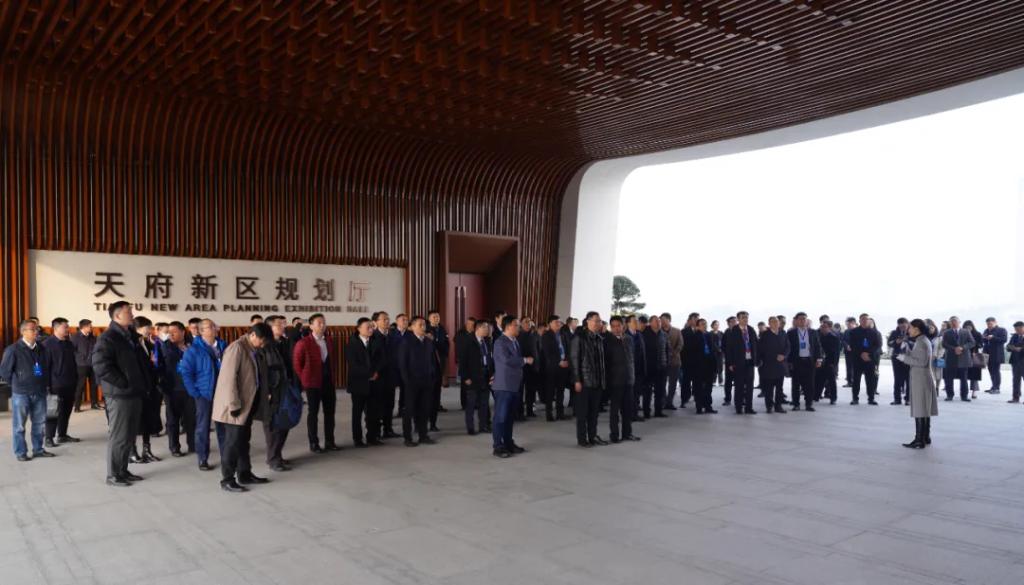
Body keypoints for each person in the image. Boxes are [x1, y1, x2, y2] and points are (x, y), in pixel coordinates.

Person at [93, 301, 149, 485]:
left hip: (134, 392)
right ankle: (113, 475)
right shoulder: (108, 338)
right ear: (117, 316)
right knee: (119, 436)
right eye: (128, 312)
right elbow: (101, 366)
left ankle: (123, 471)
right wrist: (123, 383)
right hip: (120, 395)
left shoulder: (130, 336)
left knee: (129, 436)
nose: (132, 314)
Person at [213, 323, 272, 493]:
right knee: (232, 444)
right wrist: (233, 404)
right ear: (252, 335)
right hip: (235, 406)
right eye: (261, 340)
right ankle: (227, 479)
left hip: (247, 405)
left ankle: (245, 474)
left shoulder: (253, 349)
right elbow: (228, 379)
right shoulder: (237, 348)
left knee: (243, 442)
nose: (262, 344)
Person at [1, 319, 55, 462]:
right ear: (23, 332)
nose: (36, 332)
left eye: (37, 329)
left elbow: (47, 368)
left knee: (39, 424)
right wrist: (18, 383)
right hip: (21, 394)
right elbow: (5, 372)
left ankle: (38, 450)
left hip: (40, 392)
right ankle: (20, 452)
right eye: (33, 329)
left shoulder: (42, 349)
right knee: (19, 426)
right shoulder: (13, 350)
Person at [178, 318, 227, 470]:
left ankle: (226, 456)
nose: (213, 328)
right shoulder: (193, 350)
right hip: (204, 393)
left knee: (224, 426)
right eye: (209, 327)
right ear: (201, 331)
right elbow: (186, 372)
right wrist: (195, 392)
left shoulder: (224, 346)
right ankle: (202, 458)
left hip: (223, 392)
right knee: (203, 427)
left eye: (213, 325)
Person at [294, 313, 341, 452]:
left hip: (328, 382)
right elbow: (297, 364)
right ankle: (314, 443)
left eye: (324, 322)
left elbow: (333, 360)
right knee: (313, 413)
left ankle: (330, 441)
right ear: (311, 326)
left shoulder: (329, 340)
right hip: (312, 384)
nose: (322, 325)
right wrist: (305, 379)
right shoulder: (303, 343)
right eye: (319, 323)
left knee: (330, 413)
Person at [895, 319, 938, 449]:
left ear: (916, 329)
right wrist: (907, 350)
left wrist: (904, 358)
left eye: (910, 328)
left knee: (920, 408)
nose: (908, 330)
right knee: (924, 408)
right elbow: (918, 357)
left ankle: (919, 440)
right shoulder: (922, 340)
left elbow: (921, 362)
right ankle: (925, 437)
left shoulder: (921, 342)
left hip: (921, 378)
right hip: (922, 378)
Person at [263, 315, 298, 469]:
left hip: (285, 388)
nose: (283, 326)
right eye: (279, 324)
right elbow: (264, 371)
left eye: (283, 323)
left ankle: (277, 455)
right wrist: (267, 391)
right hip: (273, 391)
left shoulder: (284, 342)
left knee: (284, 422)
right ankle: (273, 459)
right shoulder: (265, 345)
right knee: (273, 426)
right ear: (270, 328)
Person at [492, 315, 528, 458]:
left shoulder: (515, 341)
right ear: (508, 327)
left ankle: (508, 443)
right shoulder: (500, 342)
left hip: (514, 385)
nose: (518, 327)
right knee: (500, 417)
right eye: (516, 325)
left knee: (509, 417)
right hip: (504, 385)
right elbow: (506, 360)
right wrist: (525, 360)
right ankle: (498, 446)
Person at [398, 316, 437, 447]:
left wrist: (433, 377)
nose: (423, 327)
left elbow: (432, 361)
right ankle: (408, 438)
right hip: (411, 382)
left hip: (427, 381)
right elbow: (402, 364)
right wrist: (406, 381)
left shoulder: (428, 342)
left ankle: (423, 435)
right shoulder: (406, 342)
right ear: (412, 327)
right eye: (420, 325)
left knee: (424, 409)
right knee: (409, 411)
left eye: (424, 325)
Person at [571, 312, 607, 447]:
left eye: (600, 321)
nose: (598, 323)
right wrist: (577, 380)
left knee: (594, 413)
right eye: (596, 321)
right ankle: (582, 439)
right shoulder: (579, 338)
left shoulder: (599, 338)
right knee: (583, 413)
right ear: (588, 321)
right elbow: (574, 360)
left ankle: (592, 436)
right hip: (584, 381)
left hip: (597, 381)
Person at [131, 316, 164, 464]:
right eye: (147, 327)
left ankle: (146, 450)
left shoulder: (147, 343)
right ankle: (132, 452)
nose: (150, 330)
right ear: (138, 328)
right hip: (137, 389)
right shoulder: (132, 344)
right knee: (134, 422)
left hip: (149, 387)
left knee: (148, 421)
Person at [43, 317, 80, 447]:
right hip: (54, 385)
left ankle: (62, 435)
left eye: (67, 326)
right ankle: (49, 438)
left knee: (66, 411)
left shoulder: (69, 343)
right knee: (52, 412)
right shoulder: (47, 344)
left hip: (69, 383)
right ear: (56, 328)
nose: (67, 329)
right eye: (65, 327)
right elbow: (41, 367)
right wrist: (45, 385)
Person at [161, 321, 195, 457]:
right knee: (173, 420)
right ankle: (174, 447)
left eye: (174, 332)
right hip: (172, 388)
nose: (171, 334)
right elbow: (168, 360)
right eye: (169, 332)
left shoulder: (192, 345)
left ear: (183, 332)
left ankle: (193, 444)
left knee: (191, 419)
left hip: (190, 388)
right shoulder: (165, 346)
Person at [604, 316, 640, 442]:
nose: (616, 328)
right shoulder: (607, 341)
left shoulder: (629, 339)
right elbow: (606, 363)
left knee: (627, 409)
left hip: (629, 380)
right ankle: (614, 435)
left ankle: (627, 433)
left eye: (618, 325)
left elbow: (631, 358)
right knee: (614, 410)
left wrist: (632, 376)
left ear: (623, 325)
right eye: (613, 326)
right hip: (615, 381)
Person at [346, 317, 378, 448]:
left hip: (374, 382)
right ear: (359, 329)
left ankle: (372, 437)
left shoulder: (375, 341)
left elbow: (381, 359)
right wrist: (369, 374)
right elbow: (354, 365)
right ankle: (357, 439)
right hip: (358, 383)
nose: (371, 329)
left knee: (372, 412)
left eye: (372, 327)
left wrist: (376, 372)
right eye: (368, 327)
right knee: (357, 413)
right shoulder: (352, 344)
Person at [458, 320, 494, 435]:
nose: (488, 330)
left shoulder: (487, 341)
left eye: (488, 328)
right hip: (472, 377)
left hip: (485, 376)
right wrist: (465, 377)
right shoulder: (468, 341)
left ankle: (483, 426)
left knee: (484, 403)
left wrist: (492, 374)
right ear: (478, 328)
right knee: (471, 404)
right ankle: (470, 427)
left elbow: (490, 359)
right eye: (485, 328)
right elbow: (462, 360)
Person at [724, 311, 758, 414]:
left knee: (750, 386)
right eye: (743, 317)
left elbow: (756, 345)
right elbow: (729, 348)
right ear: (738, 319)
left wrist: (757, 359)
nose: (745, 319)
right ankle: (738, 407)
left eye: (746, 317)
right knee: (739, 386)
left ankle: (749, 408)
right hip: (738, 363)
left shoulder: (751, 330)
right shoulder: (733, 331)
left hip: (750, 362)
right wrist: (730, 363)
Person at [371, 311, 399, 439]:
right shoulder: (373, 336)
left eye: (388, 319)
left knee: (390, 403)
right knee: (377, 404)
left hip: (391, 375)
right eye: (384, 319)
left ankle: (388, 429)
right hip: (378, 376)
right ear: (376, 322)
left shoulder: (393, 335)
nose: (387, 321)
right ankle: (376, 432)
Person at [787, 312, 822, 411]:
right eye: (800, 319)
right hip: (796, 361)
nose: (803, 321)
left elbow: (817, 346)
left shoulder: (813, 332)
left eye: (804, 319)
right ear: (797, 321)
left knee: (810, 384)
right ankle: (796, 404)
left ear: (807, 321)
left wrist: (819, 359)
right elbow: (788, 348)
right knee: (795, 384)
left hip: (809, 361)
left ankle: (809, 404)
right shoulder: (791, 333)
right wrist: (789, 362)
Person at [540, 315, 570, 422]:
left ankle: (560, 413)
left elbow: (567, 349)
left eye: (559, 322)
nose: (558, 324)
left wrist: (567, 360)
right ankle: (549, 414)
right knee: (550, 392)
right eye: (556, 322)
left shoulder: (563, 334)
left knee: (561, 391)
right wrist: (559, 362)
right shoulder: (546, 335)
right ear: (550, 323)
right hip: (552, 368)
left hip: (563, 367)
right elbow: (547, 353)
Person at [847, 313, 881, 405]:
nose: (865, 321)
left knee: (870, 380)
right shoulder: (854, 332)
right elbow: (852, 344)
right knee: (856, 380)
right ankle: (855, 398)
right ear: (860, 321)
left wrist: (868, 354)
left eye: (867, 319)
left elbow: (877, 345)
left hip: (870, 359)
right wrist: (861, 353)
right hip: (857, 359)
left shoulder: (874, 332)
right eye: (863, 319)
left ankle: (871, 398)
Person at [757, 316, 789, 414]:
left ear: (779, 323)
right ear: (769, 324)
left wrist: (784, 355)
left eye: (776, 321)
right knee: (769, 389)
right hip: (769, 365)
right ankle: (769, 406)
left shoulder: (783, 333)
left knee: (779, 388)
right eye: (772, 322)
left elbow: (788, 346)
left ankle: (778, 406)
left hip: (780, 365)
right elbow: (761, 350)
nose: (775, 323)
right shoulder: (765, 335)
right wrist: (775, 356)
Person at [426, 309, 450, 430]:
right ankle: (422, 423)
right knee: (426, 397)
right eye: (434, 317)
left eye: (438, 317)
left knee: (436, 394)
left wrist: (443, 352)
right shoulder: (426, 329)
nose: (436, 319)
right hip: (427, 366)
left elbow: (446, 344)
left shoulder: (442, 329)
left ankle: (433, 423)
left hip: (440, 362)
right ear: (429, 318)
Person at [71, 319, 102, 411]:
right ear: (84, 327)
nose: (91, 327)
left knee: (94, 385)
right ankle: (77, 406)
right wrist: (80, 358)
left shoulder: (93, 337)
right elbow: (72, 351)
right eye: (90, 326)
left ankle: (94, 404)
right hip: (81, 365)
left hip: (92, 364)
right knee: (80, 386)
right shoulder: (75, 337)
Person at [941, 316, 974, 402]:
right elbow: (944, 344)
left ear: (959, 322)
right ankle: (949, 395)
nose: (953, 323)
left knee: (964, 378)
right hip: (951, 358)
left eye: (955, 321)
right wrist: (954, 349)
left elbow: (972, 342)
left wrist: (962, 348)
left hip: (964, 358)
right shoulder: (947, 332)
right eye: (952, 322)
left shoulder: (966, 331)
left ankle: (964, 396)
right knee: (949, 378)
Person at [641, 315, 667, 419]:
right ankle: (646, 412)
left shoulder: (663, 334)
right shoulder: (644, 334)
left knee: (660, 391)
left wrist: (666, 363)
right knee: (647, 391)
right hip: (649, 367)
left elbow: (666, 349)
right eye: (656, 321)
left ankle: (658, 411)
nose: (658, 323)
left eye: (659, 321)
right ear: (650, 323)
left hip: (661, 367)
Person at [386, 313, 409, 432]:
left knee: (405, 390)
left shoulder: (410, 334)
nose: (405, 322)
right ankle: (388, 416)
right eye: (402, 320)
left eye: (406, 320)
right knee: (390, 393)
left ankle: (402, 410)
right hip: (393, 367)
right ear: (397, 321)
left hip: (406, 367)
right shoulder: (391, 334)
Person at [517, 317, 542, 419]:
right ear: (521, 324)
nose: (528, 324)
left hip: (533, 367)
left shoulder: (535, 335)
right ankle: (519, 413)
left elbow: (539, 350)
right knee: (519, 391)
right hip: (521, 366)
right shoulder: (517, 335)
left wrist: (538, 364)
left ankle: (530, 410)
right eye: (526, 322)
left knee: (531, 390)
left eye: (529, 322)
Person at [692, 318, 718, 414]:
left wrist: (715, 366)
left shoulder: (708, 335)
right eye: (702, 324)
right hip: (698, 366)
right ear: (697, 326)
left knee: (708, 387)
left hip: (709, 365)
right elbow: (692, 352)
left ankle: (708, 406)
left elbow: (712, 350)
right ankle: (699, 407)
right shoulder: (695, 336)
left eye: (705, 324)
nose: (705, 325)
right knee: (698, 387)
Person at [625, 315, 647, 422]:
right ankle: (628, 414)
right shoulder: (625, 335)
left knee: (637, 393)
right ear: (628, 323)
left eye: (637, 321)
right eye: (634, 321)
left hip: (639, 369)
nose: (637, 323)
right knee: (629, 394)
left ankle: (635, 414)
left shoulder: (639, 335)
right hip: (629, 370)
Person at [680, 312, 703, 410]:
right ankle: (684, 399)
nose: (697, 320)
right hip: (687, 361)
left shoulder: (701, 331)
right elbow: (682, 347)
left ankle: (698, 400)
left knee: (698, 382)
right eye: (695, 319)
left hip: (698, 362)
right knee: (686, 382)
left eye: (698, 319)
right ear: (690, 320)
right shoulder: (684, 332)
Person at [816, 320, 842, 405]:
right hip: (820, 362)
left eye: (825, 327)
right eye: (821, 327)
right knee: (819, 380)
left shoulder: (834, 338)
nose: (822, 328)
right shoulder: (818, 336)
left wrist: (834, 364)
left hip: (830, 362)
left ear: (830, 328)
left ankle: (833, 398)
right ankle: (816, 396)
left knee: (831, 381)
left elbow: (836, 353)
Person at [661, 313, 683, 410]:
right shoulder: (659, 331)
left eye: (664, 320)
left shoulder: (677, 331)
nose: (662, 322)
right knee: (661, 382)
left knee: (673, 383)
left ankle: (669, 402)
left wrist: (674, 352)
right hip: (662, 361)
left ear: (669, 320)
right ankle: (663, 400)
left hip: (675, 361)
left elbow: (681, 343)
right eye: (661, 320)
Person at [453, 316, 476, 409]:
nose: (471, 326)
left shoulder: (475, 334)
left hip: (474, 362)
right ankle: (464, 404)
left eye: (473, 324)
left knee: (473, 384)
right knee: (464, 383)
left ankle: (474, 402)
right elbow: (458, 348)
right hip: (463, 361)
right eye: (469, 324)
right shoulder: (460, 334)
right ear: (466, 324)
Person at [887, 318, 911, 405]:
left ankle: (908, 399)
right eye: (900, 326)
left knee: (909, 379)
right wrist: (896, 342)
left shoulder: (912, 332)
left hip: (909, 358)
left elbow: (916, 343)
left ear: (908, 324)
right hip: (897, 358)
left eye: (904, 325)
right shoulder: (894, 333)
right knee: (897, 379)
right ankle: (897, 399)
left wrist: (907, 341)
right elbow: (889, 343)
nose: (902, 327)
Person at [982, 317, 1008, 394]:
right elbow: (983, 341)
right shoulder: (986, 330)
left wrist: (993, 337)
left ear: (995, 322)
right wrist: (984, 338)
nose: (989, 325)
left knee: (996, 371)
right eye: (987, 324)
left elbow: (1004, 340)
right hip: (987, 354)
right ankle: (993, 386)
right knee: (990, 370)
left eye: (990, 324)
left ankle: (997, 388)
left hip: (997, 354)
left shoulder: (1001, 330)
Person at [963, 320, 985, 399]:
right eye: (966, 327)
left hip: (974, 355)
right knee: (964, 374)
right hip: (964, 356)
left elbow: (981, 345)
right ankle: (964, 391)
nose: (968, 329)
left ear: (972, 327)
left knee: (974, 374)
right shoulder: (962, 334)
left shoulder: (977, 334)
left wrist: (974, 345)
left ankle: (974, 391)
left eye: (969, 327)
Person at [1006, 321, 1024, 403]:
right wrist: (1012, 348)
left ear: (1022, 327)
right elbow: (1008, 346)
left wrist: (1021, 349)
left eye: (1018, 329)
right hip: (1015, 361)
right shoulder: (1014, 336)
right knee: (1016, 380)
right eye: (1015, 329)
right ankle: (1015, 398)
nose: (1016, 331)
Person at [721, 316, 737, 406]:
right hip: (729, 361)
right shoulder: (726, 332)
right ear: (728, 323)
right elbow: (723, 346)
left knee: (740, 382)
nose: (734, 323)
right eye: (732, 322)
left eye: (735, 321)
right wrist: (726, 357)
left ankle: (741, 399)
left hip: (739, 361)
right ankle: (727, 399)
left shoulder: (741, 331)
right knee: (728, 382)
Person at [841, 317, 857, 387]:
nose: (847, 325)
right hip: (847, 352)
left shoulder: (858, 331)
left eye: (848, 323)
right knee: (848, 367)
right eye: (847, 324)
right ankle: (849, 381)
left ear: (853, 323)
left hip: (855, 352)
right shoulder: (846, 331)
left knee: (855, 367)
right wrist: (847, 346)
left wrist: (852, 347)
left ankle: (855, 382)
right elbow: (843, 340)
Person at [711, 320, 724, 386]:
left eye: (718, 325)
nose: (717, 326)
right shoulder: (710, 333)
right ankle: (713, 381)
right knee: (713, 367)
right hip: (713, 353)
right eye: (715, 324)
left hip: (720, 353)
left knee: (720, 367)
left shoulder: (721, 333)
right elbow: (711, 343)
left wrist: (721, 349)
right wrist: (717, 349)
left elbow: (723, 342)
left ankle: (720, 381)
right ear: (712, 326)